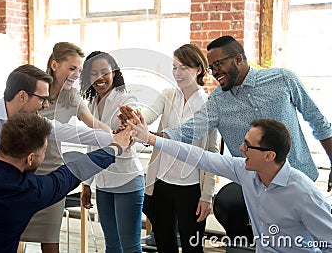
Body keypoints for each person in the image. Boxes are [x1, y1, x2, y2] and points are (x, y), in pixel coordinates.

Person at [128, 113, 332, 252]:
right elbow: (200, 157)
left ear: (269, 156)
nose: (241, 148)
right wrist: (151, 139)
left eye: (248, 145)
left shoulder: (304, 194)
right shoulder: (246, 171)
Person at [0, 112, 131, 253]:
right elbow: (73, 171)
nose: (44, 156)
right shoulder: (28, 191)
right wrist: (116, 147)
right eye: (44, 152)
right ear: (30, 158)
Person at [158, 36, 332, 190]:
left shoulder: (283, 80)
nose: (214, 72)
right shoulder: (217, 101)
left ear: (238, 59)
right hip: (257, 190)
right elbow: (187, 132)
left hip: (301, 180)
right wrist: (148, 136)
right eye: (211, 68)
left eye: (218, 64)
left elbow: (319, 122)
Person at [0, 64, 113, 176]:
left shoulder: (29, 123)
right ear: (22, 96)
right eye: (42, 99)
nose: (45, 106)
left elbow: (71, 132)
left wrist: (116, 139)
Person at [20, 42, 112, 253]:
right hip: (24, 172)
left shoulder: (72, 98)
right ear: (54, 65)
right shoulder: (31, 92)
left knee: (50, 240)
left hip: (53, 175)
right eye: (72, 69)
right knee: (15, 233)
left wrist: (115, 136)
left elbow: (94, 125)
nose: (76, 75)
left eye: (79, 71)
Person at [139, 44, 219, 253]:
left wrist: (206, 196)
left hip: (192, 188)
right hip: (162, 183)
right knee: (165, 245)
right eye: (174, 67)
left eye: (183, 67)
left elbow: (212, 152)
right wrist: (135, 119)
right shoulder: (167, 96)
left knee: (193, 247)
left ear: (198, 69)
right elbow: (147, 115)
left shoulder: (209, 105)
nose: (177, 73)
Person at [80, 51, 144, 253]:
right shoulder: (90, 105)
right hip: (103, 183)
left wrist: (129, 130)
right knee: (112, 246)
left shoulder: (127, 99)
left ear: (114, 73)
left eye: (104, 72)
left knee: (130, 247)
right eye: (93, 73)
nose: (99, 77)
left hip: (127, 181)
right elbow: (91, 145)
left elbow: (131, 135)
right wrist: (86, 183)